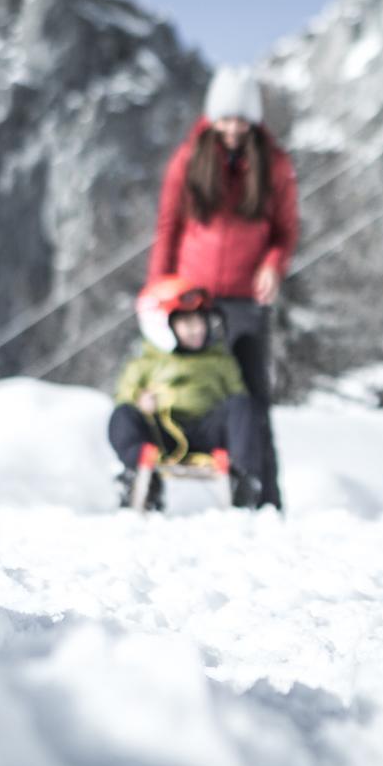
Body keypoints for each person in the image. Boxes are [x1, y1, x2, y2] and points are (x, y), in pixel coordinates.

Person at [148, 70, 299, 503]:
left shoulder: (275, 164)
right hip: (192, 299)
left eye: (241, 120)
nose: (233, 129)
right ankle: (156, 485)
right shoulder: (188, 159)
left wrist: (273, 266)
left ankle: (263, 495)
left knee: (251, 397)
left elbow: (285, 231)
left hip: (247, 301)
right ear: (213, 117)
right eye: (226, 119)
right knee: (179, 388)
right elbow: (168, 226)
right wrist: (159, 289)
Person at [109, 276, 274, 511]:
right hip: (162, 433)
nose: (197, 329)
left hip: (208, 432)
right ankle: (138, 475)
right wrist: (139, 401)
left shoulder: (219, 359)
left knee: (243, 406)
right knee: (123, 415)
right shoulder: (144, 363)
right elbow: (125, 395)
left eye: (200, 321)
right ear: (162, 326)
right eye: (186, 323)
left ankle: (244, 480)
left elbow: (238, 399)